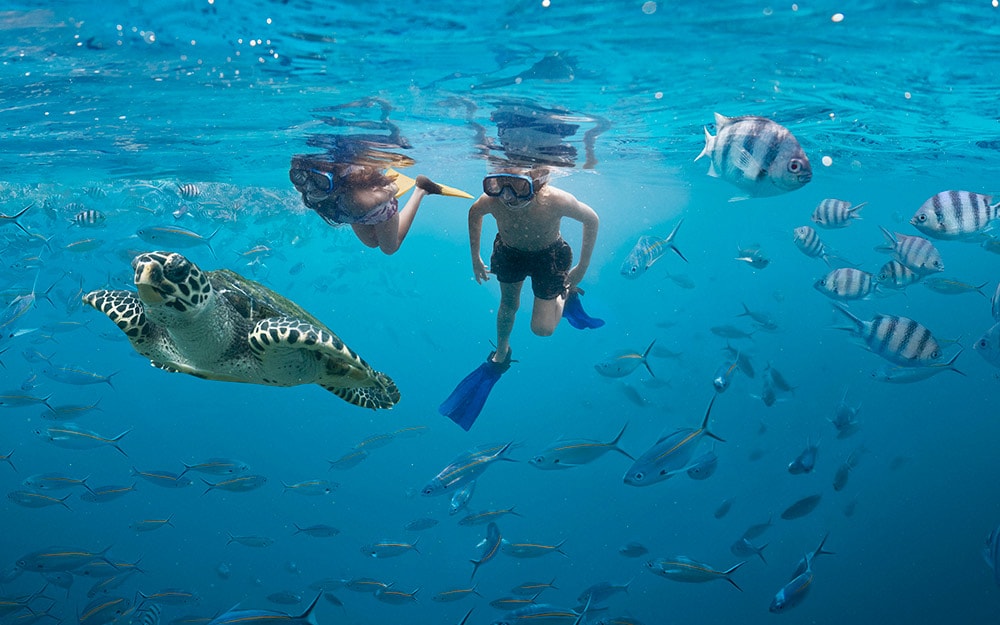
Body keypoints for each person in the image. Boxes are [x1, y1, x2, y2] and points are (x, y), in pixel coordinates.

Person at [439, 166, 601, 431]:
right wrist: (475, 257)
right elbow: (474, 212)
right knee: (508, 305)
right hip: (510, 252)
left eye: (518, 186)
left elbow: (591, 219)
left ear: (536, 182)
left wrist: (581, 268)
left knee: (542, 329)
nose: (507, 196)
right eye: (498, 186)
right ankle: (501, 352)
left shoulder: (557, 200)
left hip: (549, 256)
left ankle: (565, 296)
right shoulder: (492, 201)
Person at [289, 155, 470, 255]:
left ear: (335, 184)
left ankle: (421, 190)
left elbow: (393, 188)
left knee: (389, 248)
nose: (309, 187)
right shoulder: (310, 192)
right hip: (352, 210)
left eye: (320, 181)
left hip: (378, 210)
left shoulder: (361, 201)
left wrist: (381, 191)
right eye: (300, 178)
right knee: (371, 243)